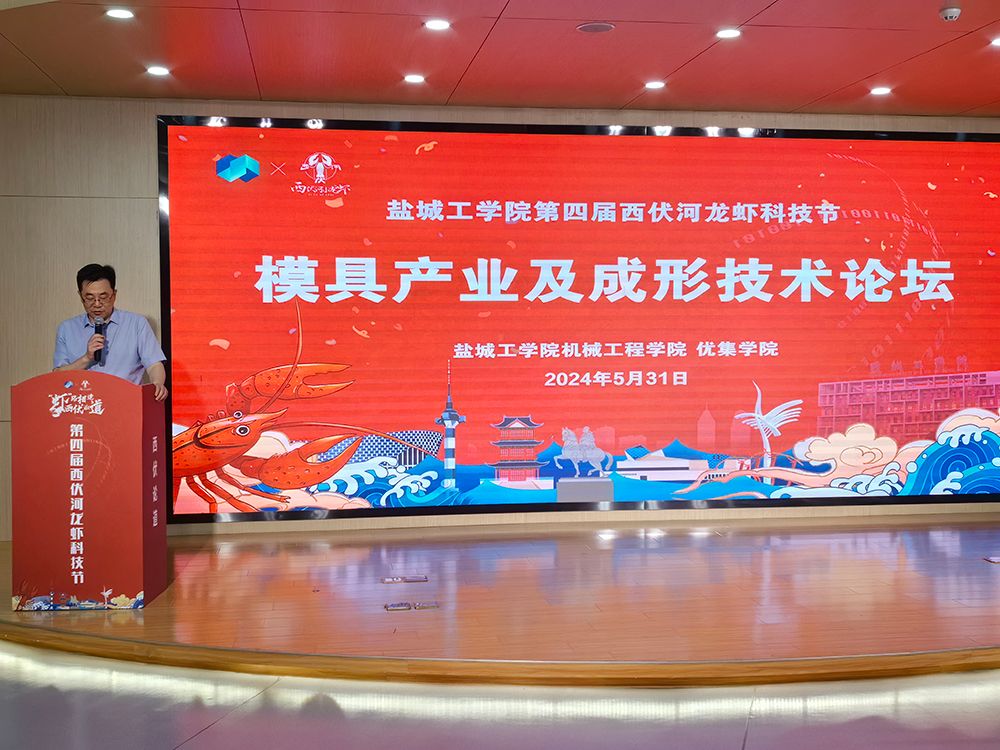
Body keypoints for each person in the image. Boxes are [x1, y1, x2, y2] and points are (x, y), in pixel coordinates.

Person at [53, 264, 169, 401]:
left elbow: (154, 364)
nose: (97, 304)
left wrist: (157, 383)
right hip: (83, 406)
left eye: (103, 297)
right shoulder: (67, 329)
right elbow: (58, 376)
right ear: (80, 296)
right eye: (89, 298)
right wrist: (86, 358)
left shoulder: (136, 323)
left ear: (114, 295)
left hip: (126, 403)